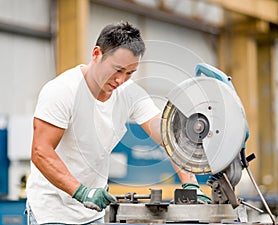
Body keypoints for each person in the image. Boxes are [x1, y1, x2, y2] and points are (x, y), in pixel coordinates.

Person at [26, 21, 211, 225]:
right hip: (52, 211)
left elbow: (167, 137)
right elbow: (41, 151)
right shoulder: (62, 91)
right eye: (117, 70)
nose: (121, 80)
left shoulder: (129, 94)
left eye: (130, 73)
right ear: (96, 54)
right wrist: (81, 192)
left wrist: (191, 184)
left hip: (93, 212)